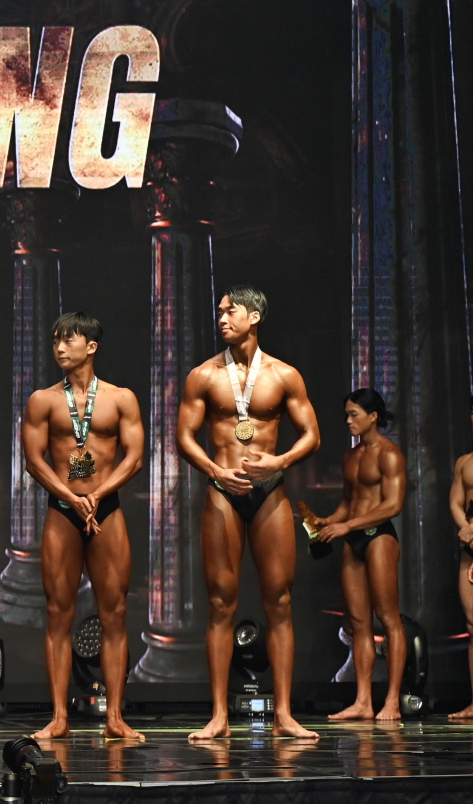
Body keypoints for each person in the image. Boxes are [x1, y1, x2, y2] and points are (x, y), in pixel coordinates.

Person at [179, 286, 320, 741]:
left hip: (269, 491)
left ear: (254, 316)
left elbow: (311, 434)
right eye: (219, 311)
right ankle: (219, 715)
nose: (222, 318)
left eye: (231, 311)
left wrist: (280, 461)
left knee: (279, 601)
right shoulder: (204, 375)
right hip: (223, 489)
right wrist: (214, 469)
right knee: (221, 602)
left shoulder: (283, 375)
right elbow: (184, 436)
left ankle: (284, 714)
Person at [22, 311, 144, 741]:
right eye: (55, 339)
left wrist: (98, 493)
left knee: (115, 613)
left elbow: (134, 456)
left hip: (106, 508)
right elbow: (34, 459)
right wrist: (72, 496)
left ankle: (115, 717)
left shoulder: (120, 398)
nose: (59, 347)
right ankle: (59, 717)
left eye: (68, 340)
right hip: (62, 509)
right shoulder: (42, 400)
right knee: (58, 613)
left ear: (91, 347)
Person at [311, 389, 406, 722]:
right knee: (359, 624)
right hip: (353, 539)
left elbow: (393, 505)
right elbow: (347, 503)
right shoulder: (350, 457)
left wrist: (347, 524)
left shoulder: (390, 454)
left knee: (389, 619)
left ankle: (392, 701)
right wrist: (328, 521)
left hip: (379, 537)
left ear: (373, 416)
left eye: (354, 414)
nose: (348, 421)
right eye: (347, 415)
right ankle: (363, 701)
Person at [451, 397, 473, 721]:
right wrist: (467, 528)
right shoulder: (464, 462)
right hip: (470, 547)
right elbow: (456, 501)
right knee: (472, 626)